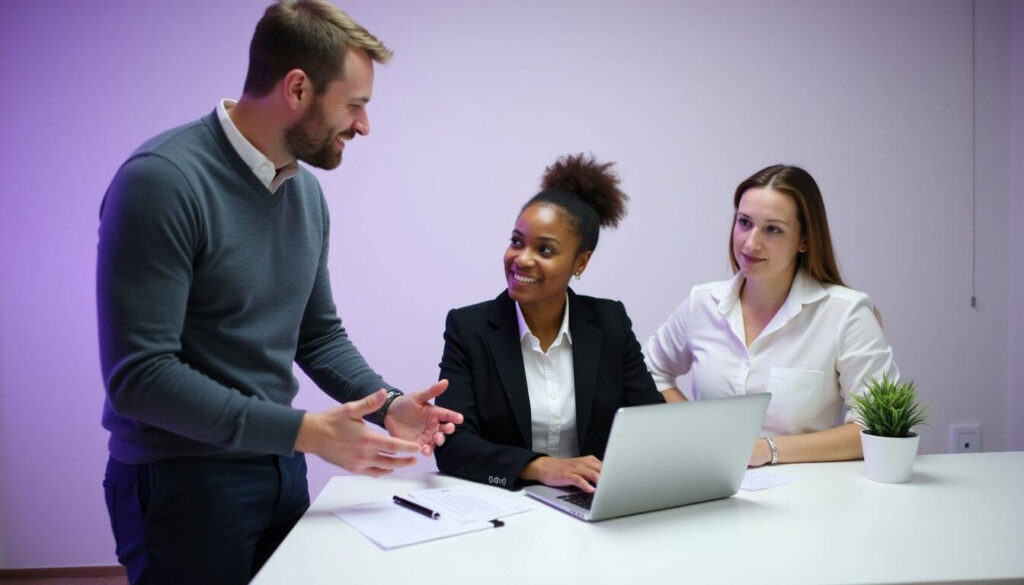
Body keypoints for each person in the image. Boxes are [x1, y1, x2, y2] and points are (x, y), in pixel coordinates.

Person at [96, 2, 462, 583]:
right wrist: (305, 432)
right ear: (297, 88)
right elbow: (140, 378)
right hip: (182, 482)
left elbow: (317, 334)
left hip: (281, 471)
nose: (364, 126)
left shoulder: (305, 195)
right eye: (355, 105)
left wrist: (387, 403)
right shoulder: (162, 181)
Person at [434, 154, 665, 493]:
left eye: (545, 250)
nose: (522, 259)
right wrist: (539, 467)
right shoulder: (470, 329)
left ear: (580, 262)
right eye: (516, 242)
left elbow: (651, 424)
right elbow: (452, 447)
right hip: (504, 505)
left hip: (590, 504)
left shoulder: (610, 322)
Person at [644, 164, 898, 467]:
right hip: (709, 486)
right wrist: (699, 428)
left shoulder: (846, 314)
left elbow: (877, 427)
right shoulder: (703, 303)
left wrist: (767, 450)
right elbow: (651, 371)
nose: (751, 243)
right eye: (744, 222)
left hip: (808, 495)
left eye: (773, 229)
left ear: (804, 240)